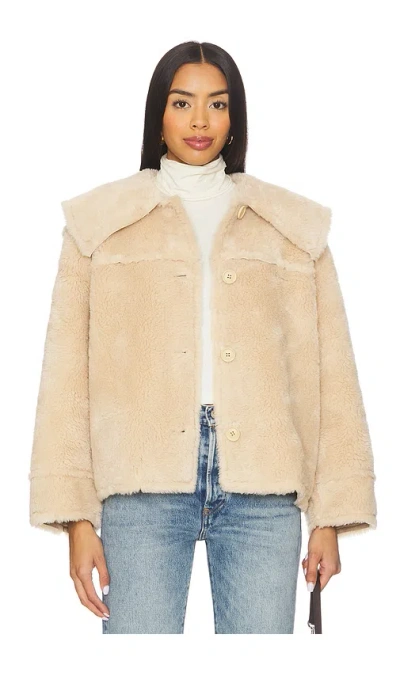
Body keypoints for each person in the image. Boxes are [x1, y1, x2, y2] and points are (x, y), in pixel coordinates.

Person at [28, 41, 377, 634]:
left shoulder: (291, 228)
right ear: (158, 115)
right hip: (140, 482)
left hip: (264, 485)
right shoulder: (99, 225)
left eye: (217, 104)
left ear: (234, 117)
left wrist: (331, 514)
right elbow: (65, 378)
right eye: (182, 102)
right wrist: (76, 519)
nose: (199, 121)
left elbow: (332, 375)